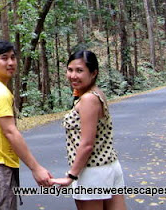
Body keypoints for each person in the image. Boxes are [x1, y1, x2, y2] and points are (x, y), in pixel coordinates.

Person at [0, 40, 52, 210]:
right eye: (4, 58)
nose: (10, 63)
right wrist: (36, 168)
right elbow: (10, 132)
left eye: (13, 58)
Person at [51, 50, 127, 210]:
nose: (73, 75)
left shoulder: (88, 99)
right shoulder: (96, 93)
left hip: (91, 172)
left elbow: (86, 144)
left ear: (93, 73)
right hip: (109, 167)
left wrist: (71, 176)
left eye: (79, 70)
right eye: (70, 70)